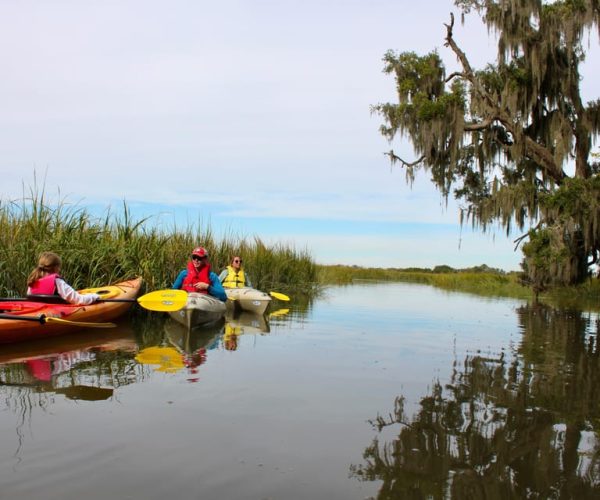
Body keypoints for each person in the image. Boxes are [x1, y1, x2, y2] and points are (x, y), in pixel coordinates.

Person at [27, 251, 101, 305]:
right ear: (56, 267)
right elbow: (80, 300)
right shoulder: (57, 282)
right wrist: (95, 296)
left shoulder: (33, 281)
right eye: (59, 267)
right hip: (54, 314)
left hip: (39, 314)